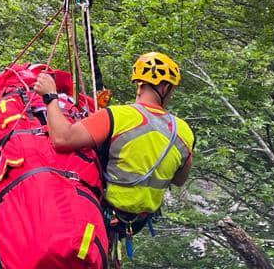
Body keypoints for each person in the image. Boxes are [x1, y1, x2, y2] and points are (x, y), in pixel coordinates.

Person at [33, 52, 194, 237]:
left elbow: (62, 139)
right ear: (166, 88)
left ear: (139, 84)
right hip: (138, 222)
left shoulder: (116, 116)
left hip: (102, 215)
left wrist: (50, 97)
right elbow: (179, 179)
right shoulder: (183, 131)